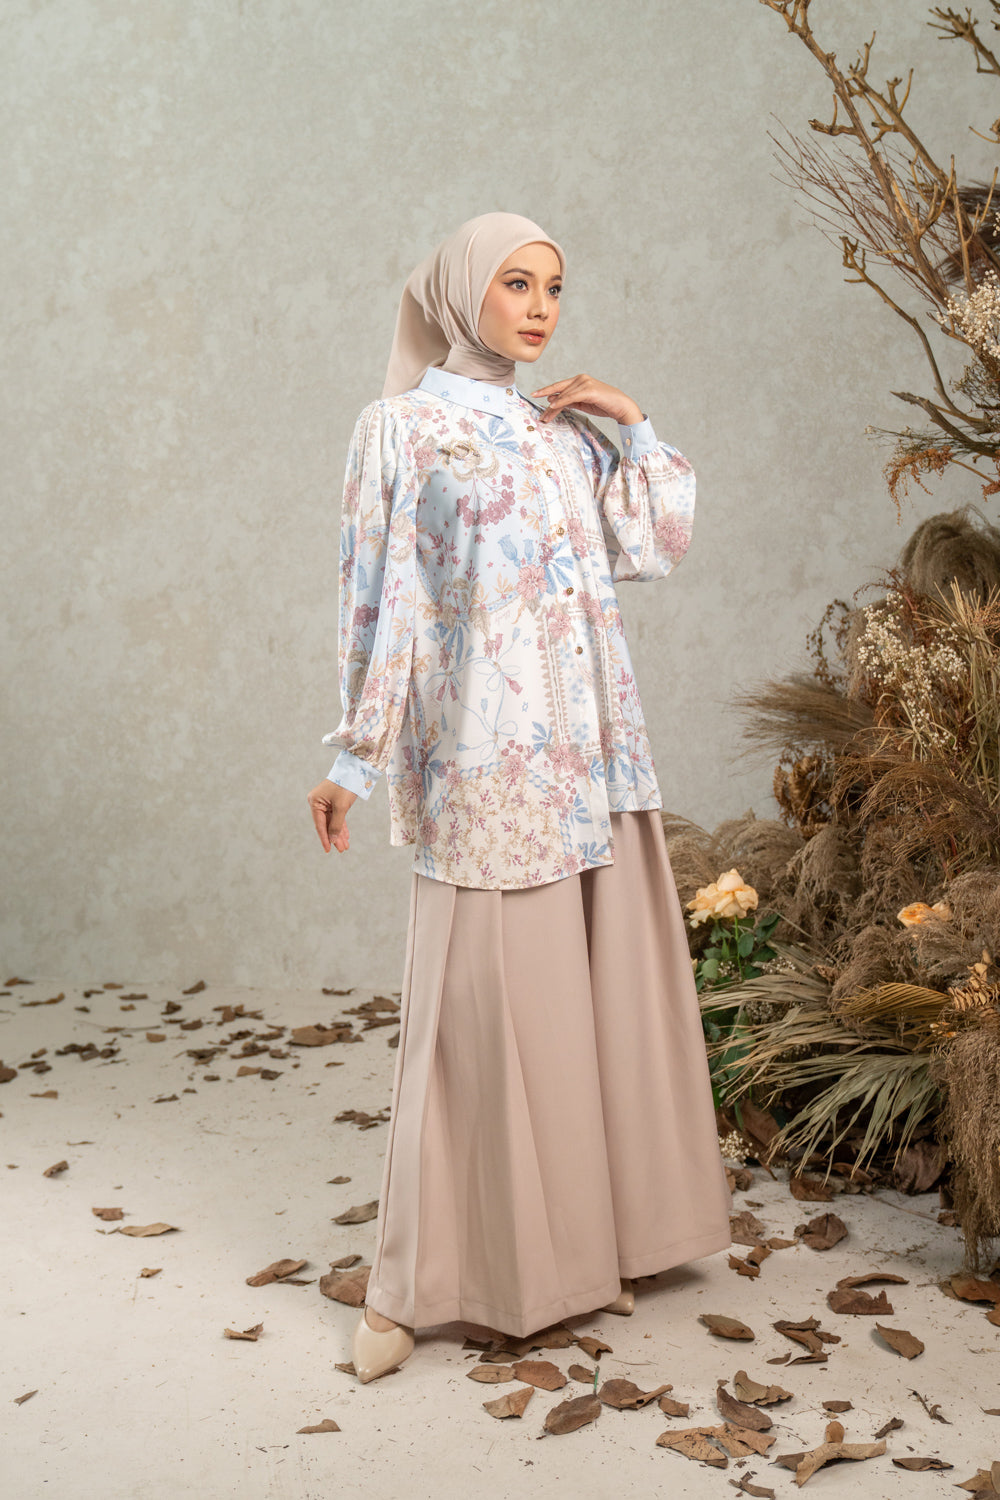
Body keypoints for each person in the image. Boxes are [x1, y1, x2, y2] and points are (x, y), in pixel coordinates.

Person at [306, 211, 732, 1384]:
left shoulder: (562, 432)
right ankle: (425, 1283)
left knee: (595, 1003)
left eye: (553, 287)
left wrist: (632, 422)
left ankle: (603, 1249)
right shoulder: (401, 431)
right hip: (485, 760)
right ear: (461, 294)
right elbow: (376, 601)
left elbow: (655, 542)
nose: (540, 309)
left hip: (592, 751)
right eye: (515, 284)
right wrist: (355, 756)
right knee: (476, 1024)